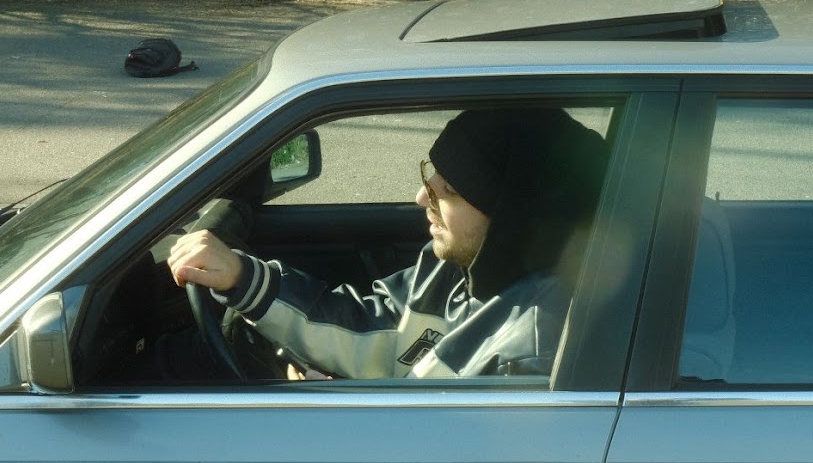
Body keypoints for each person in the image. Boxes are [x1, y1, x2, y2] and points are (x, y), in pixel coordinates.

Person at [167, 107, 609, 379]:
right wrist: (242, 278)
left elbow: (443, 457)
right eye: (430, 175)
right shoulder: (459, 266)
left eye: (449, 190)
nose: (422, 197)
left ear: (513, 215)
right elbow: (374, 329)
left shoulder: (531, 351)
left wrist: (331, 412)